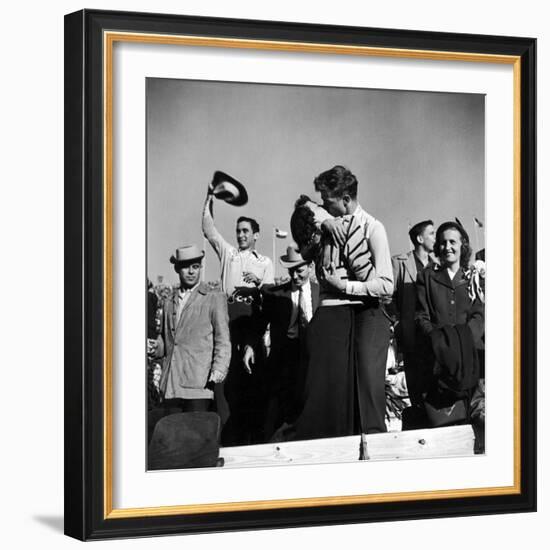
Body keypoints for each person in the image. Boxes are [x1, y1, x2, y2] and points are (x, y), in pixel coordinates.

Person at [286, 194, 378, 441]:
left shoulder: (328, 232)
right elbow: (374, 281)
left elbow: (305, 205)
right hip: (336, 320)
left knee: (331, 400)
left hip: (333, 321)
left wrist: (324, 221)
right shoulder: (338, 231)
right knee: (330, 401)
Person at [315, 165, 394, 435]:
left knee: (368, 393)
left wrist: (345, 286)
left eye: (329, 202)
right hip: (344, 320)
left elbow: (386, 285)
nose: (324, 207)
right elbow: (307, 210)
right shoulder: (329, 225)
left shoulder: (374, 228)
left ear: (346, 200)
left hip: (371, 316)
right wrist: (323, 220)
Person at [202, 192, 275, 445]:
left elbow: (268, 299)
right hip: (227, 324)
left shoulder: (265, 262)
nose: (241, 235)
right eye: (238, 231)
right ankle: (225, 440)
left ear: (256, 234)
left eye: (245, 231)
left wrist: (257, 286)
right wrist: (209, 197)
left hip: (252, 326)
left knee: (252, 380)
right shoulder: (228, 255)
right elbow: (209, 230)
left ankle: (251, 440)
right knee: (225, 381)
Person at [147, 245, 231, 442]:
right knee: (172, 444)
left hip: (199, 385)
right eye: (186, 267)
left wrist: (218, 370)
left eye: (195, 266)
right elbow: (167, 343)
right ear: (177, 269)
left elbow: (223, 340)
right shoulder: (168, 302)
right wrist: (154, 347)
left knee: (196, 443)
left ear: (201, 267)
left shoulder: (214, 298)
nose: (191, 271)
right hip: (170, 385)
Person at [243, 245, 320, 440]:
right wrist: (250, 346)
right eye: (291, 271)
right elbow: (259, 322)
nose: (295, 276)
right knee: (277, 415)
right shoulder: (276, 295)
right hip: (283, 362)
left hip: (312, 361)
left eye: (299, 270)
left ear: (310, 267)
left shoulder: (322, 294)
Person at [415, 221, 484, 432]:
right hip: (439, 364)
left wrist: (461, 342)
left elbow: (479, 314)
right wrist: (440, 343)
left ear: (462, 245)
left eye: (452, 242)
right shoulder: (426, 277)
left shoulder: (473, 277)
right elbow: (421, 317)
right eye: (443, 243)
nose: (447, 247)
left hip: (473, 361)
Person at [391, 220, 437, 415]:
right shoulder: (400, 263)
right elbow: (387, 296)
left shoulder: (437, 266)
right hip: (411, 336)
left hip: (433, 336)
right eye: (432, 234)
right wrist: (397, 322)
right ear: (420, 239)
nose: (436, 238)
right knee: (415, 386)